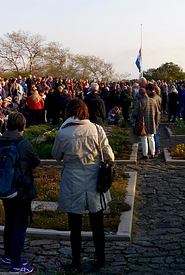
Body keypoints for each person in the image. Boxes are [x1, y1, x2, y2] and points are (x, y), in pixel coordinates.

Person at [53, 99, 115, 273]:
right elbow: (109, 156)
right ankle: (100, 259)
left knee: (75, 225)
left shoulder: (62, 133)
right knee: (97, 224)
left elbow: (57, 155)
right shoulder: (96, 129)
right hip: (94, 179)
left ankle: (76, 261)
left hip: (72, 179)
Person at [0, 112, 40, 274]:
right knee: (20, 225)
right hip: (21, 189)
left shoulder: (0, 142)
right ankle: (15, 263)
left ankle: (8, 255)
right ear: (23, 125)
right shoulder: (23, 143)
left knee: (9, 222)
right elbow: (36, 162)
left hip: (5, 187)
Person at [131, 88, 161, 160]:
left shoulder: (139, 102)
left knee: (144, 138)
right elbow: (157, 113)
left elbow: (135, 113)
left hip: (142, 123)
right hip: (152, 122)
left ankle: (145, 154)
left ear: (140, 94)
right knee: (151, 138)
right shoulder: (153, 101)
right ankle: (153, 153)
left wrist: (133, 119)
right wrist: (156, 122)